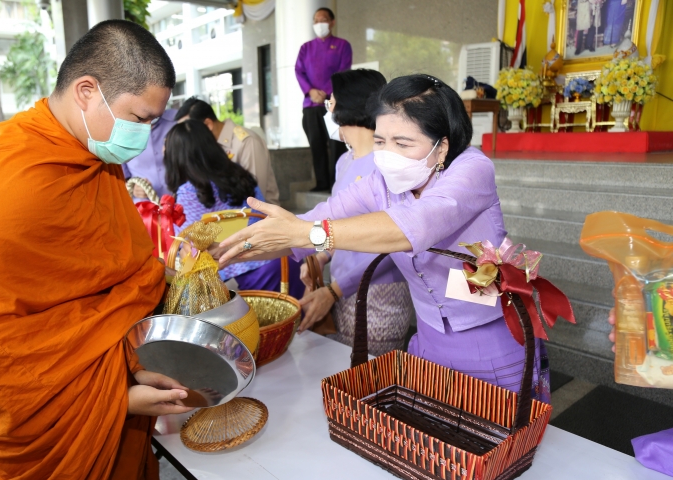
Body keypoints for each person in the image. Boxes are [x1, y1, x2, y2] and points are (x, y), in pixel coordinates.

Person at [0, 20, 194, 480]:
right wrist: (116, 400)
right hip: (63, 429)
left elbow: (117, 280)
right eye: (138, 118)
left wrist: (166, 275)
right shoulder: (9, 185)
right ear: (88, 92)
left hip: (112, 395)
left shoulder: (89, 155)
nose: (144, 135)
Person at [220, 74, 550, 402]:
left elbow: (415, 224)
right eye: (380, 142)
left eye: (402, 143)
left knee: (495, 435)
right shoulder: (380, 182)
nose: (386, 154)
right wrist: (238, 247)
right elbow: (327, 213)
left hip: (488, 334)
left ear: (442, 147)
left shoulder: (472, 168)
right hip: (431, 337)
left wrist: (309, 235)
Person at [298, 69, 414, 355]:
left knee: (371, 378)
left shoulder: (387, 164)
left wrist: (336, 289)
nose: (328, 110)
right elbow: (337, 224)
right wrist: (320, 257)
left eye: (331, 102)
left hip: (378, 293)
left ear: (348, 106)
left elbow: (392, 247)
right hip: (339, 288)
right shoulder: (345, 161)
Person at [165, 119, 303, 298]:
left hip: (237, 285)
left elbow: (190, 250)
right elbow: (261, 216)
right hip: (281, 263)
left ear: (174, 156)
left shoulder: (186, 193)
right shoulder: (240, 174)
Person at [175, 97, 280, 206]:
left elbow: (254, 196)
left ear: (208, 125)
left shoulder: (247, 142)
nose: (186, 138)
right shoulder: (206, 148)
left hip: (260, 217)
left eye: (189, 131)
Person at [295, 7, 352, 192]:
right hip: (311, 105)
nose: (320, 24)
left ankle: (337, 182)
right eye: (316, 20)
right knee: (316, 144)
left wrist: (326, 93)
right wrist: (310, 91)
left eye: (324, 19)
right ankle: (321, 183)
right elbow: (299, 71)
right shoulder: (306, 48)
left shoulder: (343, 45)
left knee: (337, 144)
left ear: (332, 22)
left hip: (334, 104)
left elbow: (343, 71)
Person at [122, 107, 178, 198]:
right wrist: (134, 189)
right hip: (144, 207)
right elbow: (119, 179)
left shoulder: (178, 120)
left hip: (182, 203)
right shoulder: (122, 131)